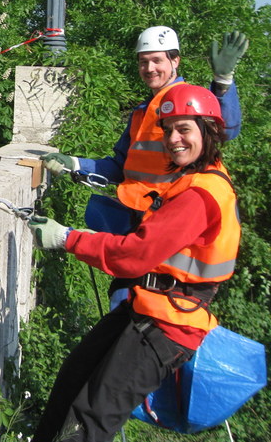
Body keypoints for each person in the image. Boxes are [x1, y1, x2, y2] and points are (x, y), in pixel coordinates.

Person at [27, 83, 241, 442]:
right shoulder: (189, 180)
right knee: (73, 378)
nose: (174, 139)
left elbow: (134, 255)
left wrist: (66, 238)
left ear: (209, 130)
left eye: (185, 129)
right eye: (169, 130)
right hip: (148, 308)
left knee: (91, 418)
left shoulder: (201, 194)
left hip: (168, 324)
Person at [41, 26, 246, 305]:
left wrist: (222, 82)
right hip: (134, 225)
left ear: (175, 61)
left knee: (134, 307)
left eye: (157, 60)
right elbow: (120, 166)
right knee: (124, 301)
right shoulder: (141, 111)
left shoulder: (189, 100)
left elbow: (226, 129)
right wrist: (75, 164)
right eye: (143, 61)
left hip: (167, 233)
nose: (149, 68)